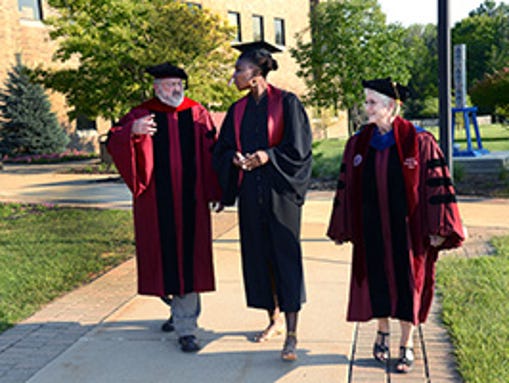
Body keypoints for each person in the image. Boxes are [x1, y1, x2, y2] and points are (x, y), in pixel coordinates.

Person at [327, 77, 465, 373]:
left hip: (407, 232)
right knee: (377, 278)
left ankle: (407, 345)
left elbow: (436, 186)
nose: (367, 108)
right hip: (372, 228)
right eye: (366, 102)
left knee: (407, 284)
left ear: (391, 107)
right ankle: (382, 332)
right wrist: (344, 225)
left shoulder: (419, 141)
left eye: (372, 102)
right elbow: (346, 187)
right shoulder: (359, 143)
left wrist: (439, 228)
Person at [107, 62, 222, 353]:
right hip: (157, 206)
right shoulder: (141, 113)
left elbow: (213, 154)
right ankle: (177, 309)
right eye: (170, 85)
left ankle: (187, 328)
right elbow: (113, 138)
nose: (176, 90)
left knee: (189, 263)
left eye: (179, 85)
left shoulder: (197, 113)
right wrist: (132, 132)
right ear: (156, 88)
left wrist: (216, 189)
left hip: (191, 202)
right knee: (162, 262)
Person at [213, 41, 312, 361]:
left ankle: (293, 334)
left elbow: (299, 150)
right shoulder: (237, 110)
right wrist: (234, 161)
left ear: (256, 74)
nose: (234, 75)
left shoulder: (287, 102)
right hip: (250, 195)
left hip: (280, 194)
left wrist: (267, 156)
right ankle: (274, 320)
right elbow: (222, 148)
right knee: (259, 260)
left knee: (285, 259)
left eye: (239, 70)